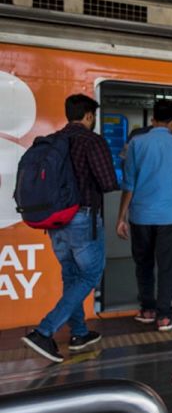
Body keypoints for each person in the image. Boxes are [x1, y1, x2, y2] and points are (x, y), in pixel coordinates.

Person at [22, 94, 119, 363]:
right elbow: (108, 181)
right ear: (89, 116)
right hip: (82, 219)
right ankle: (44, 331)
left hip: (55, 222)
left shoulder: (53, 141)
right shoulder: (92, 141)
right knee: (90, 275)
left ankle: (79, 333)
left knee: (72, 276)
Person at [117, 99, 172, 331]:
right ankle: (164, 315)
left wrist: (121, 217)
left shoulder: (136, 142)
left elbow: (128, 183)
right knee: (167, 265)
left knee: (142, 263)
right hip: (170, 217)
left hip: (140, 216)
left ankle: (147, 308)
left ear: (153, 120)